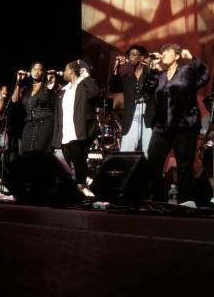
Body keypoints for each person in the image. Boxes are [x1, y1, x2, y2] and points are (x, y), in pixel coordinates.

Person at [144, 44, 209, 202]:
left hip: (184, 125)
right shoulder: (161, 75)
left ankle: (185, 201)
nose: (163, 53)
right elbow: (148, 88)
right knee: (152, 163)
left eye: (167, 51)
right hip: (162, 127)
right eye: (162, 51)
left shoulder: (186, 71)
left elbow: (205, 76)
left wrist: (192, 59)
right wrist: (153, 67)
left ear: (177, 56)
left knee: (184, 166)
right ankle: (157, 198)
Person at [52, 60, 100, 194]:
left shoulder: (83, 85)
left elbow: (95, 94)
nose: (64, 72)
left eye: (65, 69)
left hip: (80, 131)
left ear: (72, 71)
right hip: (65, 133)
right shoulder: (64, 89)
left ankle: (81, 188)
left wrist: (86, 77)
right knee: (63, 165)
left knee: (79, 161)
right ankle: (66, 190)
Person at [109, 45, 155, 156]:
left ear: (141, 58)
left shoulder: (150, 74)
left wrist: (151, 69)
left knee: (147, 151)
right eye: (129, 55)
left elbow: (155, 85)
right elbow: (114, 88)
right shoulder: (128, 78)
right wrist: (116, 68)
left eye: (134, 54)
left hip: (148, 116)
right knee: (126, 150)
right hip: (132, 116)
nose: (130, 57)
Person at [12, 62, 55, 154]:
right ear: (30, 72)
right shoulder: (26, 88)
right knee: (25, 151)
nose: (37, 72)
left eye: (40, 70)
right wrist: (18, 82)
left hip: (45, 122)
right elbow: (14, 100)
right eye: (34, 69)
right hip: (30, 122)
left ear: (43, 72)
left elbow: (47, 98)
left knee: (40, 152)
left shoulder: (47, 86)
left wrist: (50, 84)